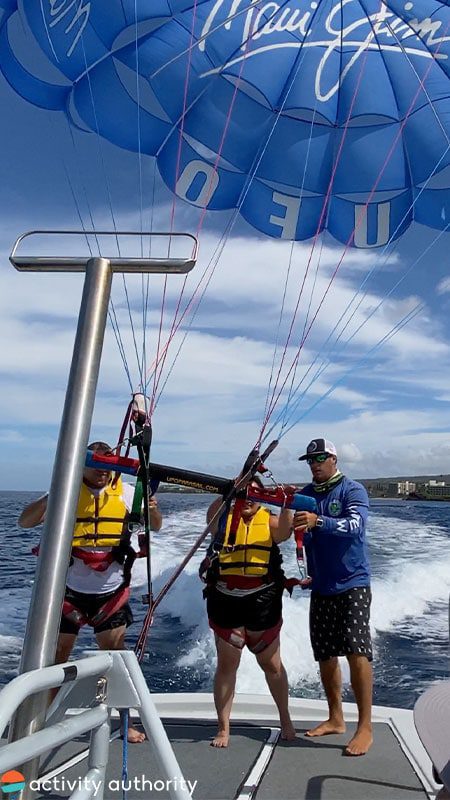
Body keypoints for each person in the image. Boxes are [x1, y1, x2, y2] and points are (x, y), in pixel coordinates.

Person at [18, 440, 162, 744]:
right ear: (81, 465)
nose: (101, 471)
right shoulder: (65, 491)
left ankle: (124, 722)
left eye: (107, 466)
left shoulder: (126, 494)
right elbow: (25, 521)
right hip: (68, 594)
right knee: (56, 658)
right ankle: (44, 722)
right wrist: (53, 495)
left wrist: (152, 509)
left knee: (116, 660)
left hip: (110, 595)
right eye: (96, 465)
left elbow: (156, 526)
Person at [279, 438, 372, 756]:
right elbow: (300, 535)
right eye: (310, 460)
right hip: (321, 585)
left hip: (353, 583)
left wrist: (319, 521)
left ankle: (365, 727)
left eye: (320, 458)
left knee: (357, 651)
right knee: (325, 653)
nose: (315, 464)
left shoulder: (352, 490)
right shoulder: (305, 495)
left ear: (334, 459)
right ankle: (336, 718)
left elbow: (355, 525)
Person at [203, 478, 296, 748]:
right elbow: (212, 515)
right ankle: (223, 727)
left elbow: (285, 533)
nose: (247, 499)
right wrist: (230, 490)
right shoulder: (222, 519)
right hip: (226, 600)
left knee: (272, 664)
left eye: (253, 493)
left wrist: (287, 503)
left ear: (262, 497)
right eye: (243, 493)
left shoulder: (270, 521)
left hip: (262, 601)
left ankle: (285, 718)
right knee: (227, 664)